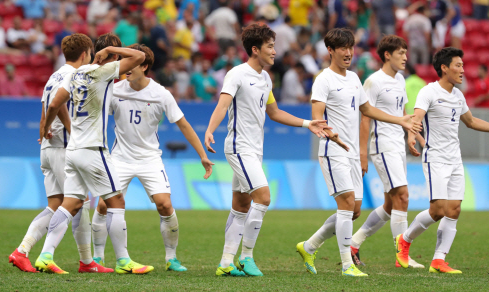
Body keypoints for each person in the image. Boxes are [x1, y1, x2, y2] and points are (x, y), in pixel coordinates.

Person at [204, 23, 330, 277]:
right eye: (270, 46)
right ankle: (247, 257)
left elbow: (274, 112)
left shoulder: (265, 78)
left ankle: (226, 263)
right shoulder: (237, 74)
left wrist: (307, 123)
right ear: (255, 49)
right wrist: (209, 129)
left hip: (254, 149)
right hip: (239, 147)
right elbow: (223, 104)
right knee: (263, 197)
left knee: (241, 205)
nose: (275, 51)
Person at [295, 28, 421, 277]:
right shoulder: (324, 79)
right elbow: (317, 116)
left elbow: (368, 110)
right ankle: (346, 265)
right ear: (330, 50)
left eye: (350, 47)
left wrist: (401, 121)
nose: (348, 52)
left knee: (354, 210)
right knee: (345, 206)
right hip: (333, 150)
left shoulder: (353, 78)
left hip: (352, 153)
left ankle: (309, 246)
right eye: (342, 48)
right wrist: (327, 131)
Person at [397, 47, 489, 274]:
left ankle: (438, 260)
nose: (463, 70)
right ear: (444, 68)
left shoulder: (458, 95)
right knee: (437, 210)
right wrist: (411, 135)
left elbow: (471, 122)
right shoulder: (429, 92)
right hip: (435, 157)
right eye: (458, 65)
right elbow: (416, 118)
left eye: (463, 65)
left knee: (454, 209)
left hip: (455, 158)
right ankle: (404, 240)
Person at [37, 33, 153, 274]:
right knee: (116, 200)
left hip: (73, 150)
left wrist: (46, 126)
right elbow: (140, 56)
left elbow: (54, 103)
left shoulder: (75, 74)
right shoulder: (102, 72)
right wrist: (112, 49)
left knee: (72, 203)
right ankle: (124, 261)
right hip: (93, 149)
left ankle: (45, 255)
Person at [91, 44, 213, 272]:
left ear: (144, 65)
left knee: (165, 205)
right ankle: (97, 258)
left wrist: (203, 156)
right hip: (120, 158)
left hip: (149, 160)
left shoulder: (161, 94)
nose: (126, 67)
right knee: (103, 205)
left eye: (132, 62)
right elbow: (94, 116)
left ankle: (171, 258)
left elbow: (184, 125)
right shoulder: (114, 90)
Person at [9, 33, 112, 274]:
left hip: (48, 148)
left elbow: (47, 105)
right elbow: (61, 104)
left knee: (56, 205)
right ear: (86, 53)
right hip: (64, 148)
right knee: (78, 202)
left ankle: (23, 252)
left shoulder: (53, 75)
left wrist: (43, 128)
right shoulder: (74, 75)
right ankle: (80, 261)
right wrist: (71, 131)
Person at [350, 35, 424, 269]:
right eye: (400, 53)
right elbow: (365, 117)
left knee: (391, 204)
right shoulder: (373, 82)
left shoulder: (401, 79)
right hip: (382, 146)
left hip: (397, 145)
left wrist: (411, 135)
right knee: (402, 196)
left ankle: (354, 242)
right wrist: (363, 153)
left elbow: (403, 112)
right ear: (387, 55)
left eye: (406, 52)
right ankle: (402, 256)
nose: (405, 57)